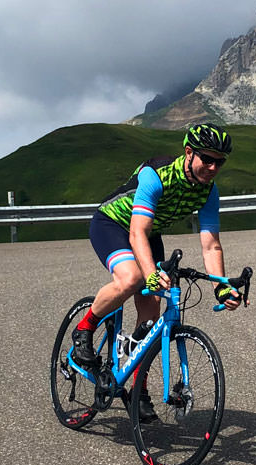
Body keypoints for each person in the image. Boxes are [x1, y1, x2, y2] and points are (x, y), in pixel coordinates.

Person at [71, 123, 245, 419]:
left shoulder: (208, 192)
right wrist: (149, 274)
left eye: (220, 162)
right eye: (208, 159)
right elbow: (137, 232)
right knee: (133, 278)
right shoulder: (156, 174)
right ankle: (84, 329)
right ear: (189, 153)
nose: (214, 167)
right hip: (113, 224)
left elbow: (211, 245)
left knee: (151, 317)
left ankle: (136, 389)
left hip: (149, 233)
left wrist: (221, 285)